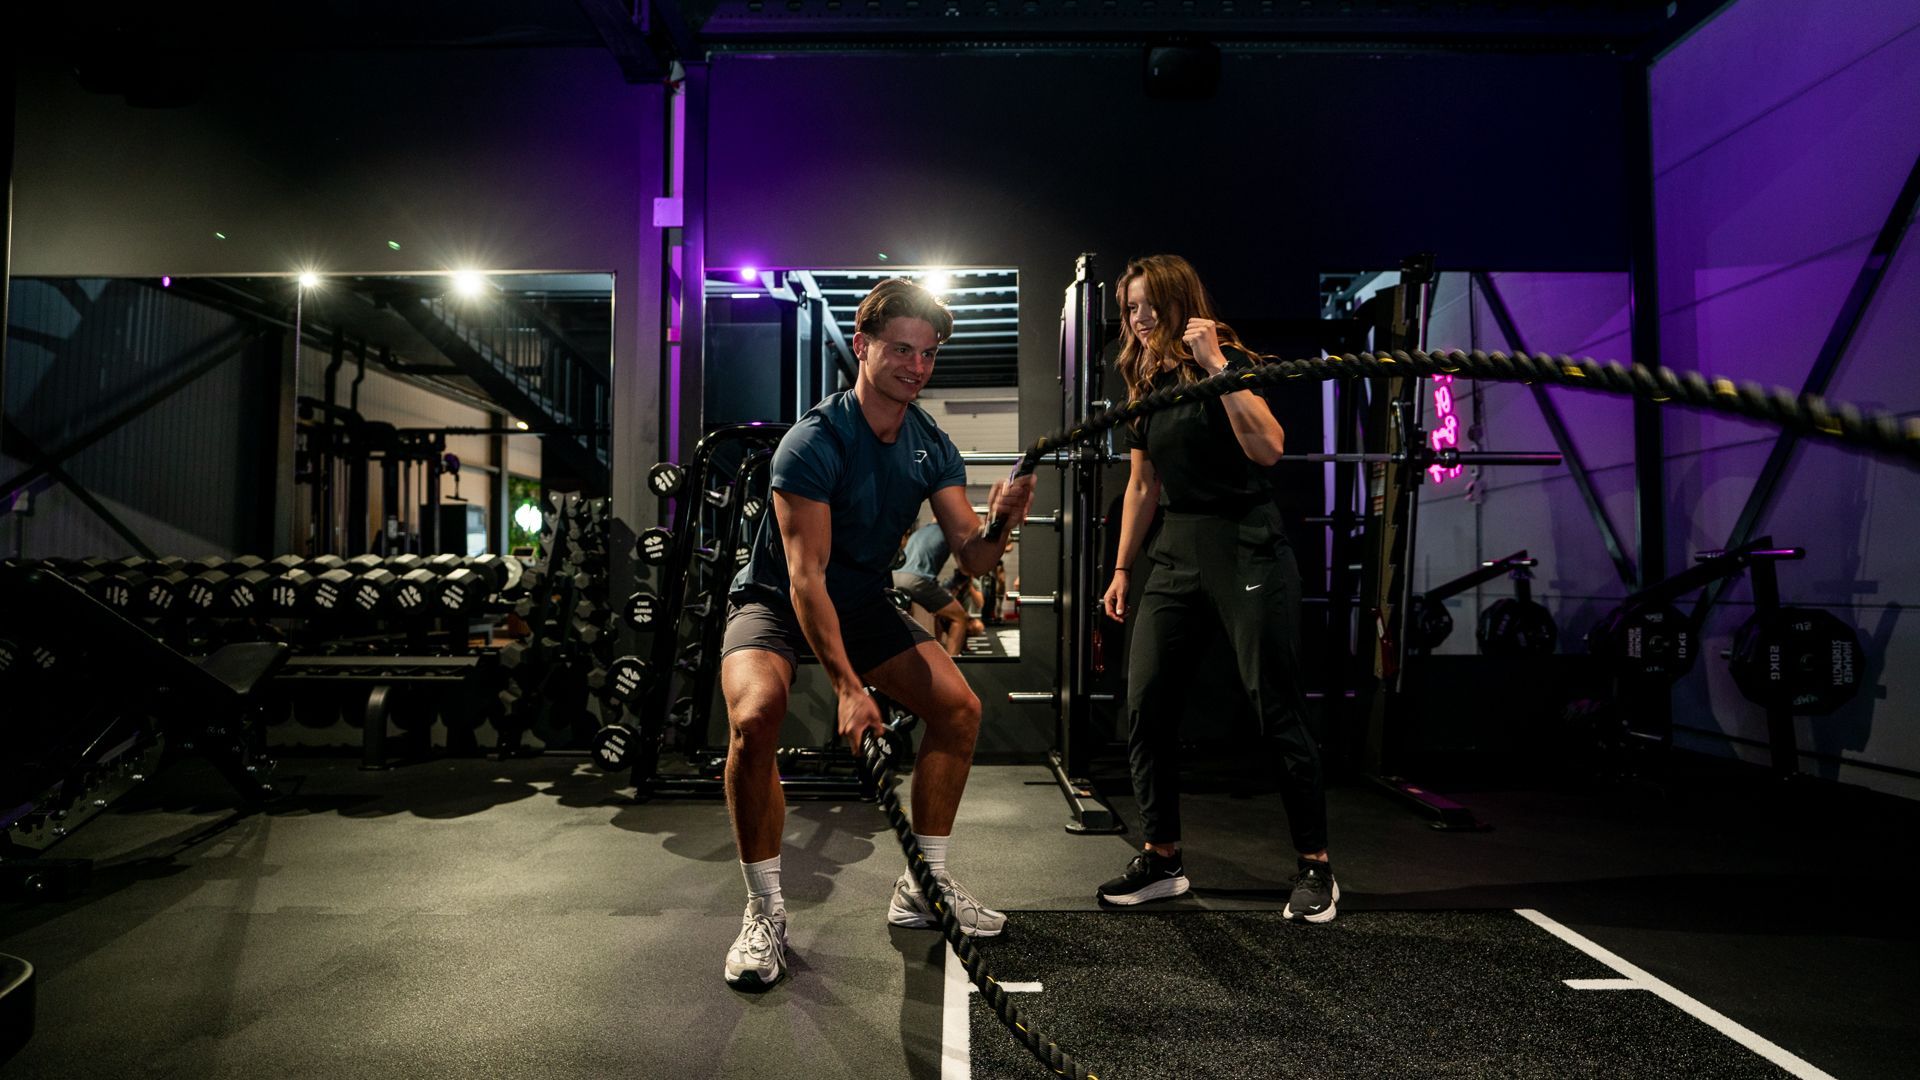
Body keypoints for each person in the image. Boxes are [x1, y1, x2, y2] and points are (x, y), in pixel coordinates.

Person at [718, 278, 1035, 991]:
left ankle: (924, 886)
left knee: (960, 709)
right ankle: (764, 909)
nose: (917, 367)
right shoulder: (814, 443)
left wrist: (1005, 519)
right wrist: (848, 686)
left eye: (928, 355)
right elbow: (806, 579)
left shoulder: (930, 443)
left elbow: (974, 556)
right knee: (754, 717)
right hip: (775, 599)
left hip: (860, 600)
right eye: (901, 349)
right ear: (862, 346)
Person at [1094, 254, 1336, 922]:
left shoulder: (1228, 361)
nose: (1138, 320)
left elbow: (1269, 448)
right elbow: (1143, 485)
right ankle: (1162, 857)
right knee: (1144, 704)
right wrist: (1121, 569)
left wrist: (1216, 367)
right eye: (1129, 309)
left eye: (1148, 306)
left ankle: (1316, 866)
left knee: (1275, 705)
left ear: (1179, 303)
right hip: (1176, 552)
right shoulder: (1145, 382)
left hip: (1246, 543)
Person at [892, 520, 975, 656]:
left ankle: (939, 657)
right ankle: (953, 664)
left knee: (940, 613)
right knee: (960, 617)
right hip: (915, 579)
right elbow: (966, 567)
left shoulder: (921, 532)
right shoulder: (949, 531)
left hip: (896, 576)